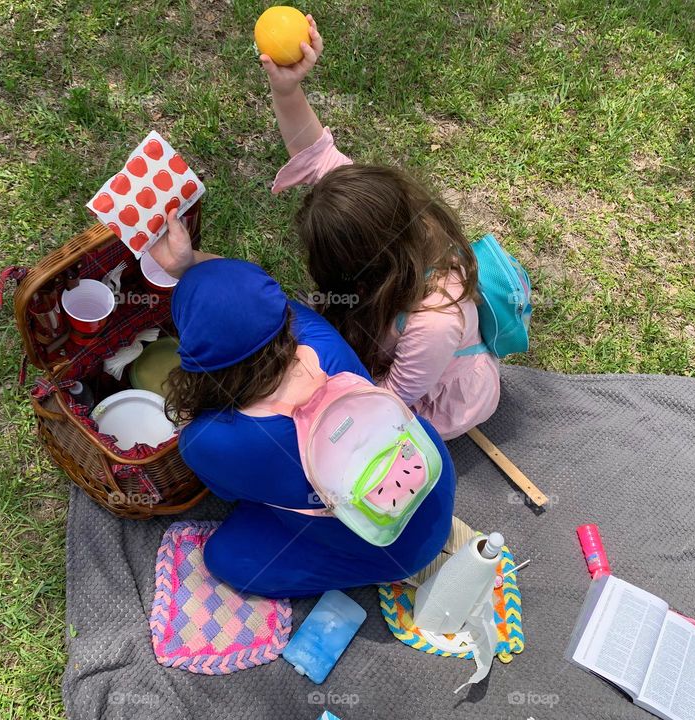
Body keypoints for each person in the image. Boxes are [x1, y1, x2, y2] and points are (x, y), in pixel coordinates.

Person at [149, 211, 455, 598]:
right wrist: (188, 263)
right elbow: (250, 298)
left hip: (395, 549)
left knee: (225, 556)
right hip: (429, 473)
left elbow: (226, 493)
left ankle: (368, 562)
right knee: (278, 489)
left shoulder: (205, 440)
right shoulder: (315, 332)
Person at [259, 16, 500, 440]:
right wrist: (287, 88)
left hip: (431, 396)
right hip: (394, 341)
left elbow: (389, 399)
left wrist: (322, 415)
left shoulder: (433, 323)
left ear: (362, 270)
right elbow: (315, 154)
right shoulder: (392, 219)